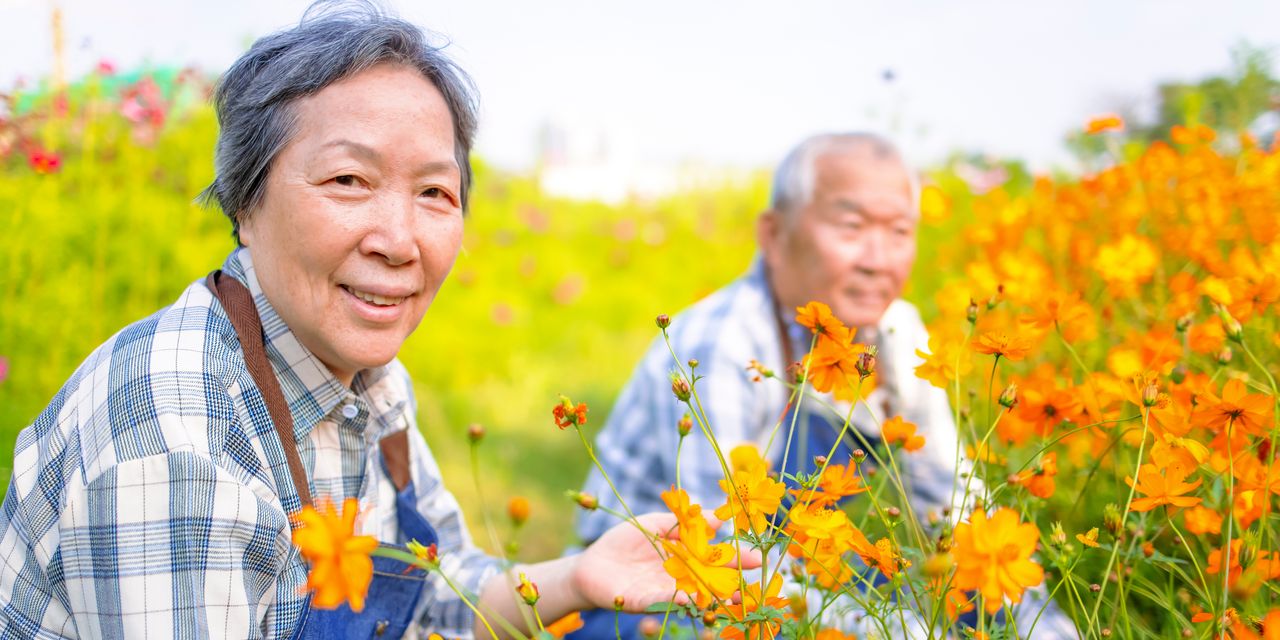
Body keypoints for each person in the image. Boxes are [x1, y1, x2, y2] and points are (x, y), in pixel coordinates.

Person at [0, 4, 687, 638]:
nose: (398, 239)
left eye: (434, 192)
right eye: (348, 181)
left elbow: (438, 596)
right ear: (245, 201)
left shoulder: (371, 383)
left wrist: (577, 577)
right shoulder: (177, 438)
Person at [573, 133, 1076, 638]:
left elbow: (952, 506)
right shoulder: (721, 341)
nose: (878, 260)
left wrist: (1041, 622)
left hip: (797, 566)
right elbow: (723, 553)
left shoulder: (897, 331)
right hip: (658, 587)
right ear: (773, 235)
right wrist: (896, 630)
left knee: (967, 593)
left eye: (900, 231)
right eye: (852, 227)